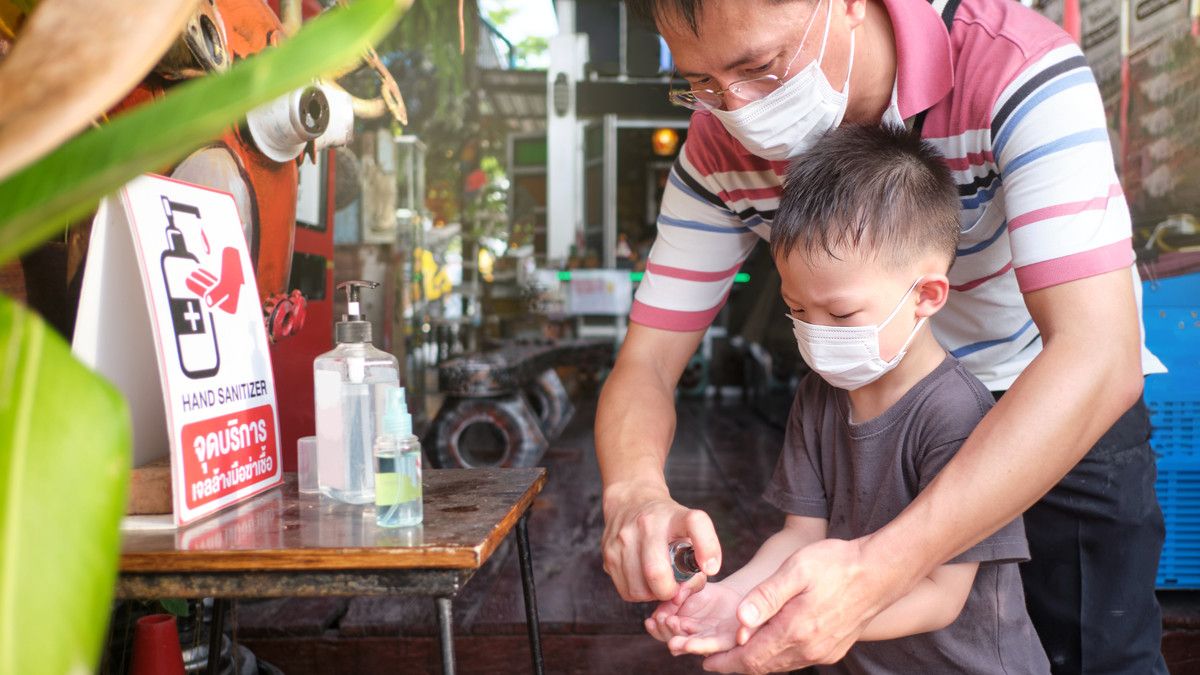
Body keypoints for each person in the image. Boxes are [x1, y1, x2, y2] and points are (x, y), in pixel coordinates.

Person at [597, 0, 1168, 671]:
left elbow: (1097, 353)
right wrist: (633, 493)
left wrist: (878, 569)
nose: (738, 109)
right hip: (875, 408)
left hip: (1052, 404)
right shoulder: (719, 145)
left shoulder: (1017, 70)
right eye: (703, 83)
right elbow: (649, 361)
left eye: (761, 67)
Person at [644, 123, 1050, 673]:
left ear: (926, 296)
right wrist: (734, 600)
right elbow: (799, 537)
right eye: (798, 310)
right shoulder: (819, 396)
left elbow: (941, 595)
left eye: (839, 314)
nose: (816, 331)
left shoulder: (959, 414)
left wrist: (791, 623)